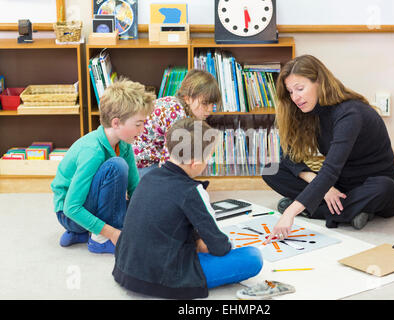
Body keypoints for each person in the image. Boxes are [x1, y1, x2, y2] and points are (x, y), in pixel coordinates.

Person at [113, 118, 263, 299]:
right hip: (166, 278)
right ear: (195, 163)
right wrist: (215, 243)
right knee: (253, 257)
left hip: (126, 271)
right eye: (209, 158)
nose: (209, 162)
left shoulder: (148, 177)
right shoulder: (192, 191)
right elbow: (219, 247)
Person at [262, 55, 394, 242]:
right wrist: (322, 186)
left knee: (385, 188)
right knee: (271, 170)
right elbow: (289, 157)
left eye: (300, 88)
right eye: (290, 92)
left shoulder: (350, 113)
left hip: (374, 186)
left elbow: (330, 169)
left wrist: (290, 212)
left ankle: (315, 211)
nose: (295, 97)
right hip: (340, 186)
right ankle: (352, 212)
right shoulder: (310, 111)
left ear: (320, 82)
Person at [51, 78, 154, 253]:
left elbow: (135, 188)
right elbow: (71, 208)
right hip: (69, 215)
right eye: (138, 124)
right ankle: (99, 239)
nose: (142, 130)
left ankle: (84, 232)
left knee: (146, 204)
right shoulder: (92, 151)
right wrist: (114, 233)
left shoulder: (124, 144)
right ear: (116, 123)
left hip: (89, 206)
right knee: (117, 166)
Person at [133, 69, 221, 178]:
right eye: (205, 103)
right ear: (187, 98)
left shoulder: (175, 104)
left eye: (212, 104)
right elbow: (168, 163)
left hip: (144, 161)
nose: (209, 110)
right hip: (140, 167)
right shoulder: (176, 115)